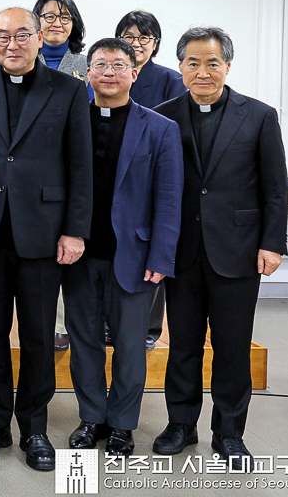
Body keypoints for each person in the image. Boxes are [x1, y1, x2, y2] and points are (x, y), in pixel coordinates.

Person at [0, 7, 92, 473]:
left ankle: (35, 427)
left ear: (39, 39)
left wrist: (75, 229)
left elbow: (81, 164)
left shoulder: (71, 90)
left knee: (38, 335)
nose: (11, 44)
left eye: (21, 35)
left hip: (45, 231)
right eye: (1, 36)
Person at [152, 27, 287, 470]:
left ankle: (229, 433)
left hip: (239, 249)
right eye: (193, 62)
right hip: (182, 250)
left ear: (228, 66)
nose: (203, 71)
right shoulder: (163, 115)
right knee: (183, 346)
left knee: (232, 348)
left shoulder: (260, 116)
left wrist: (272, 243)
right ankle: (180, 425)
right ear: (180, 67)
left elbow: (274, 188)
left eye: (212, 63)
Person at [63, 38, 182, 459]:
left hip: (134, 254)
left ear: (135, 72)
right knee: (84, 341)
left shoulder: (160, 127)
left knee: (131, 345)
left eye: (118, 65)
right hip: (79, 253)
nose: (108, 73)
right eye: (100, 65)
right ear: (87, 73)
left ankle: (122, 424)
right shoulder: (70, 119)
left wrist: (161, 256)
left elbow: (169, 198)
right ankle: (92, 416)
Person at [116, 9, 185, 349]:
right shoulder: (109, 74)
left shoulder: (171, 80)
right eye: (129, 37)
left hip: (153, 172)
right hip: (116, 177)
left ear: (155, 43)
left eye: (145, 38)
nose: (137, 44)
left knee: (152, 252)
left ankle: (149, 330)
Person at [32, 0, 88, 352]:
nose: (56, 23)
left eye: (65, 17)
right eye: (49, 16)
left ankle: (65, 325)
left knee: (69, 254)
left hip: (73, 167)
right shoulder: (20, 59)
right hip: (29, 175)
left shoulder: (87, 66)